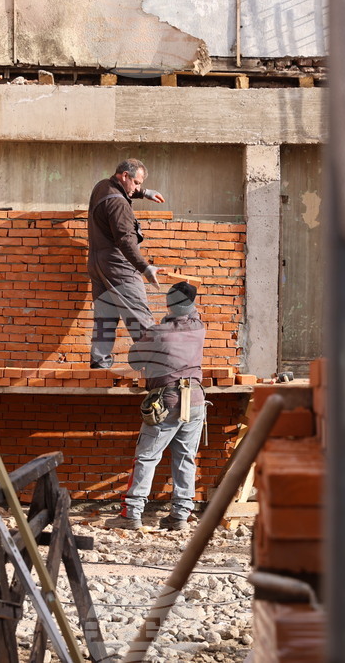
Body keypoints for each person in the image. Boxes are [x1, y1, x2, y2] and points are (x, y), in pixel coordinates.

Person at [105, 282, 206, 531]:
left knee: (147, 457)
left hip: (167, 400)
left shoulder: (159, 332)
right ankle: (180, 516)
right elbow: (189, 317)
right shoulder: (199, 327)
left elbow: (134, 359)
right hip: (195, 400)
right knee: (185, 459)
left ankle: (132, 515)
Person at [87, 159, 166, 370]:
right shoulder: (119, 205)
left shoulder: (102, 186)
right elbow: (126, 241)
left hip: (97, 264)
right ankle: (156, 365)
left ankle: (99, 364)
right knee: (138, 314)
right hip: (118, 265)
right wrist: (145, 268)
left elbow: (121, 190)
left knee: (105, 317)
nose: (138, 187)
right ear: (124, 176)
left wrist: (144, 193)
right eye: (137, 183)